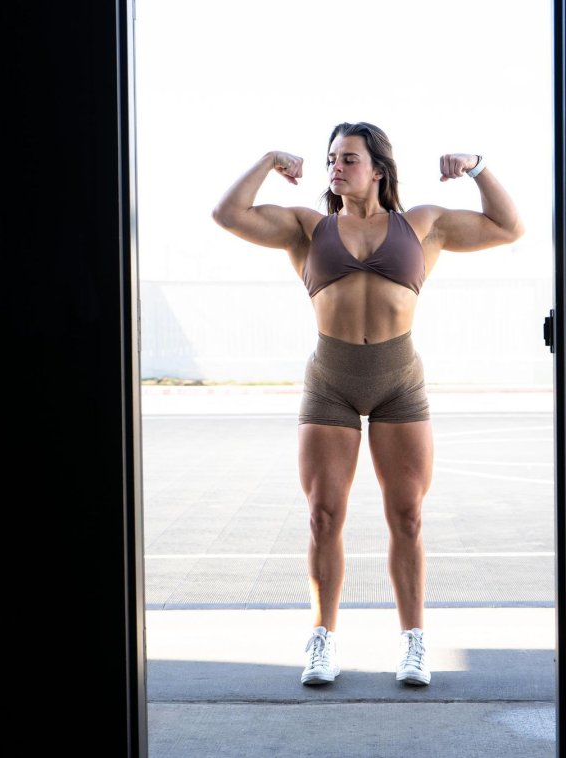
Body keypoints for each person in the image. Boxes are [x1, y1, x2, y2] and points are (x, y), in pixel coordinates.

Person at [212, 121, 524, 687]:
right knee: (322, 516)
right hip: (330, 382)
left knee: (407, 516)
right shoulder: (307, 228)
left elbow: (508, 227)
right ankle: (322, 639)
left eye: (349, 158)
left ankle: (413, 641)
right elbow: (227, 214)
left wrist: (476, 167)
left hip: (398, 382)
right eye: (331, 158)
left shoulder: (422, 224)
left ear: (378, 169)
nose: (336, 166)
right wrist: (267, 159)